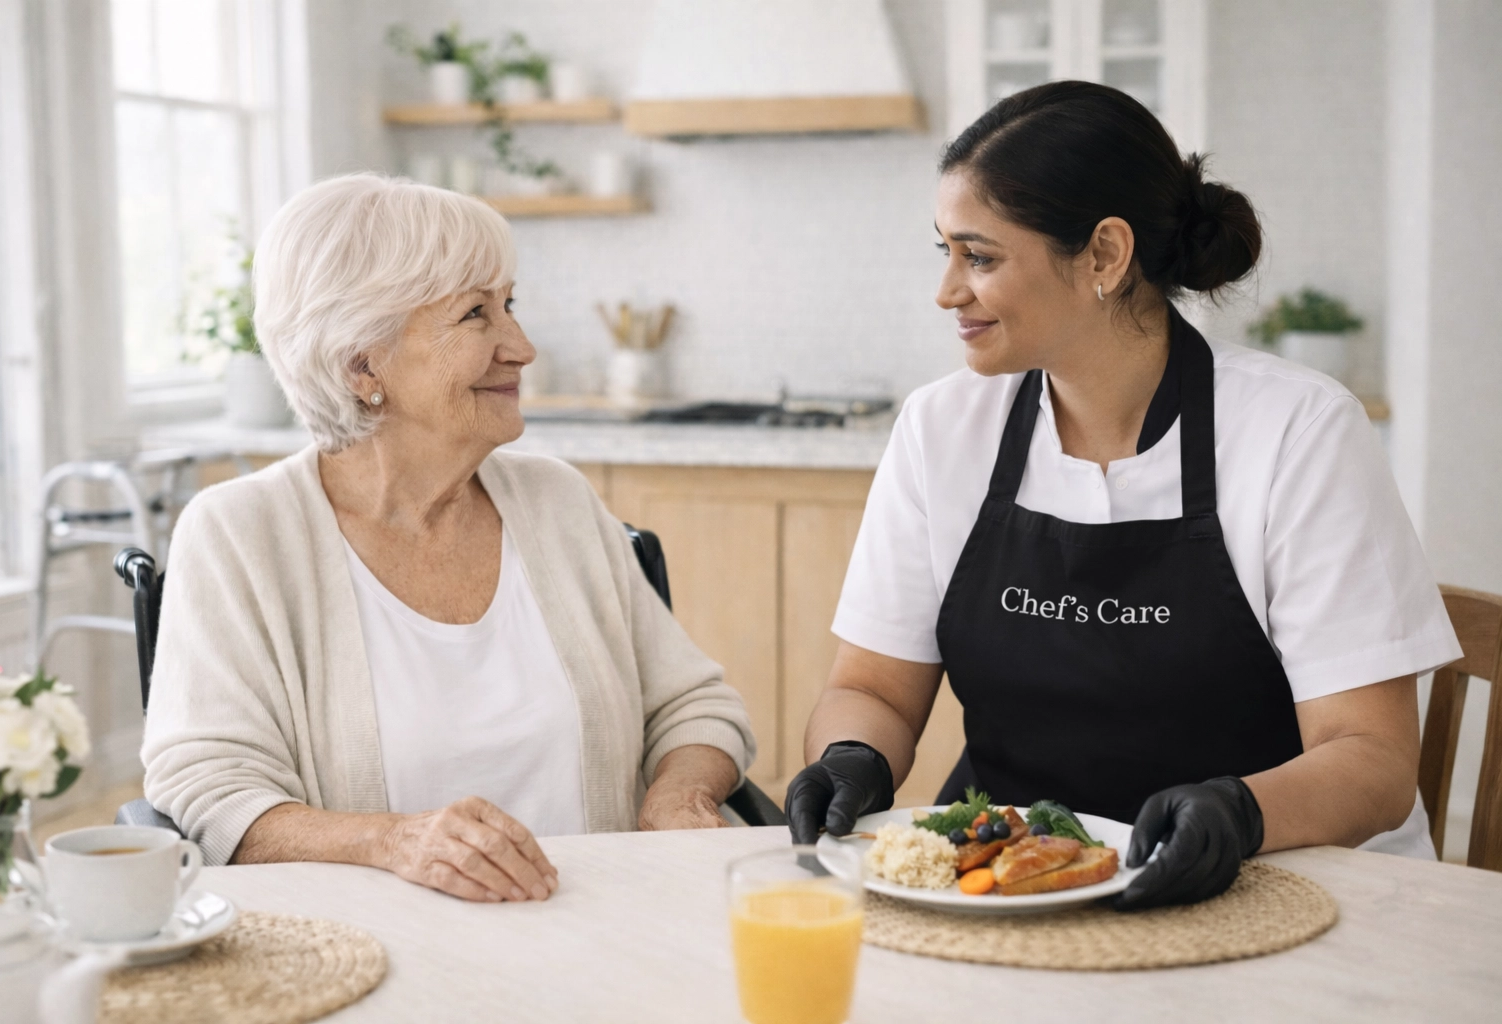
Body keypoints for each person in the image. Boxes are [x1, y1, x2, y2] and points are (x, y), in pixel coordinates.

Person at [785, 81, 1461, 909]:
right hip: (1016, 885)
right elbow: (874, 689)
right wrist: (852, 757)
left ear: (1105, 254)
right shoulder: (941, 428)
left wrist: (1242, 812)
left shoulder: (1297, 430)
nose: (948, 290)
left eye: (982, 256)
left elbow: (1374, 761)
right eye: (946, 252)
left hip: (1286, 883)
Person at [142, 174, 756, 903]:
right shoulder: (240, 535)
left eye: (510, 305)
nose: (521, 346)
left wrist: (677, 796)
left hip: (610, 929)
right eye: (475, 315)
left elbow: (696, 708)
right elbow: (208, 786)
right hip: (364, 952)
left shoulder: (557, 502)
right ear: (361, 364)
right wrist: (391, 842)